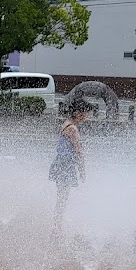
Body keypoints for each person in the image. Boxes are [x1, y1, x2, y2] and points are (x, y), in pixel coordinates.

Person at [49, 97, 95, 233]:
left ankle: (57, 223)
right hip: (66, 165)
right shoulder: (73, 129)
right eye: (85, 113)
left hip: (59, 163)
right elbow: (79, 151)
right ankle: (57, 226)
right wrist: (82, 170)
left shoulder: (66, 123)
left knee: (61, 197)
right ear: (78, 113)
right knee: (63, 198)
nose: (86, 116)